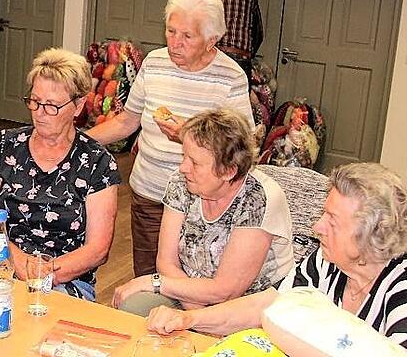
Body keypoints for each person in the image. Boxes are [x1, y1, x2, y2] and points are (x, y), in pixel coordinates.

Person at [148, 163, 407, 357]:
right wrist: (189, 320)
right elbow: (268, 304)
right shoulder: (331, 260)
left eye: (332, 220)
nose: (317, 227)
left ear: (372, 235)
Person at [86, 0, 253, 277]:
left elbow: (241, 145)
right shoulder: (154, 63)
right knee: (148, 280)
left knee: (194, 282)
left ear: (212, 40)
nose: (175, 43)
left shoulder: (231, 76)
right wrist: (77, 139)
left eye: (187, 36)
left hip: (203, 203)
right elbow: (127, 122)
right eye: (171, 31)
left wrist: (188, 133)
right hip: (149, 194)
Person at [0, 48, 119, 301]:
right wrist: (14, 261)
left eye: (52, 106)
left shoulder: (97, 162)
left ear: (78, 105)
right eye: (35, 102)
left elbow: (97, 249)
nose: (39, 112)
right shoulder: (6, 145)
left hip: (63, 278)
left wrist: (41, 273)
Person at [112, 109, 293, 316]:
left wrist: (155, 283)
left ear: (228, 171)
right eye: (184, 156)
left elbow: (226, 291)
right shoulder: (182, 182)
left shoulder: (258, 198)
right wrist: (194, 313)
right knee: (132, 305)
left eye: (195, 163)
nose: (183, 168)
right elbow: (166, 262)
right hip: (188, 290)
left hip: (250, 304)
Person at [215, 0, 263, 78]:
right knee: (239, 88)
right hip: (240, 56)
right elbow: (258, 34)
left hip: (215, 54)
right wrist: (250, 54)